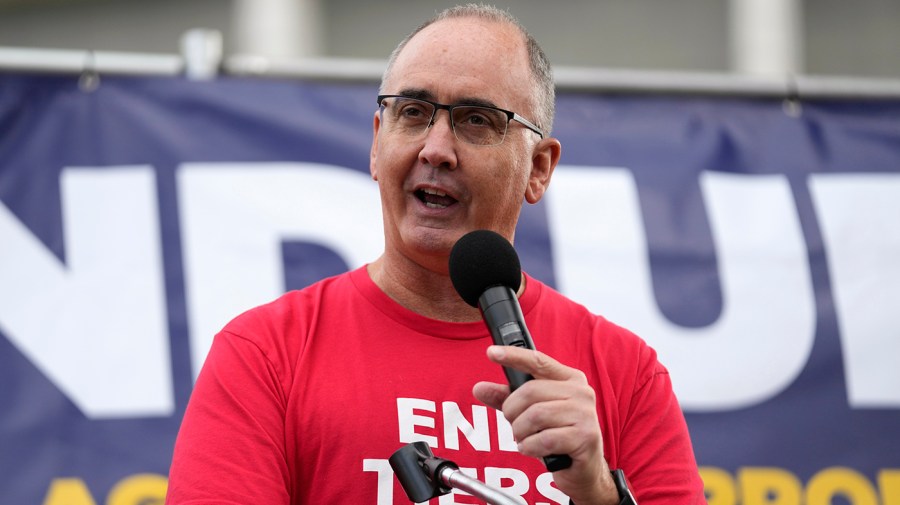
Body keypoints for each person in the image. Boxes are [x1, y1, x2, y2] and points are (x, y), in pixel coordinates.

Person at [165, 4, 706, 504]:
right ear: (377, 143)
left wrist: (596, 492)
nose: (436, 149)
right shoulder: (264, 355)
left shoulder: (624, 373)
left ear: (539, 168)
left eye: (476, 120)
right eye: (414, 111)